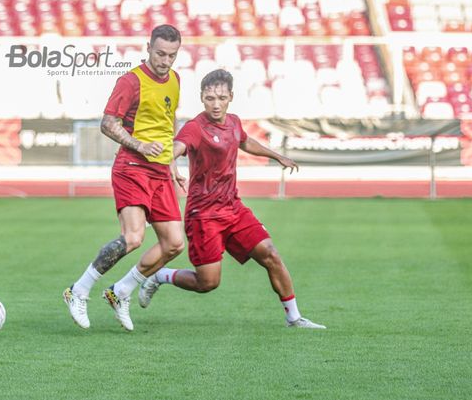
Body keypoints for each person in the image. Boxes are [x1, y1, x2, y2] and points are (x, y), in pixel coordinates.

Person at [138, 69, 325, 329]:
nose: (216, 104)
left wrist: (276, 156)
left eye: (221, 98)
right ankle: (161, 276)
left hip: (233, 208)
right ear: (202, 98)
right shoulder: (194, 128)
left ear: (231, 98)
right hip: (203, 215)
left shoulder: (234, 122)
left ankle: (294, 317)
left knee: (270, 254)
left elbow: (245, 142)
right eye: (210, 98)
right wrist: (173, 167)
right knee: (208, 283)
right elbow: (175, 148)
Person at [64, 24, 185, 331]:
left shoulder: (175, 80)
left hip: (160, 172)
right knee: (133, 237)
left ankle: (121, 291)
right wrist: (140, 144)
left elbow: (166, 124)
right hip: (132, 167)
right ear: (148, 48)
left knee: (174, 244)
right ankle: (77, 290)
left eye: (171, 55)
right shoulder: (131, 81)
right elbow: (107, 123)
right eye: (160, 53)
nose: (165, 60)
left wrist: (173, 166)